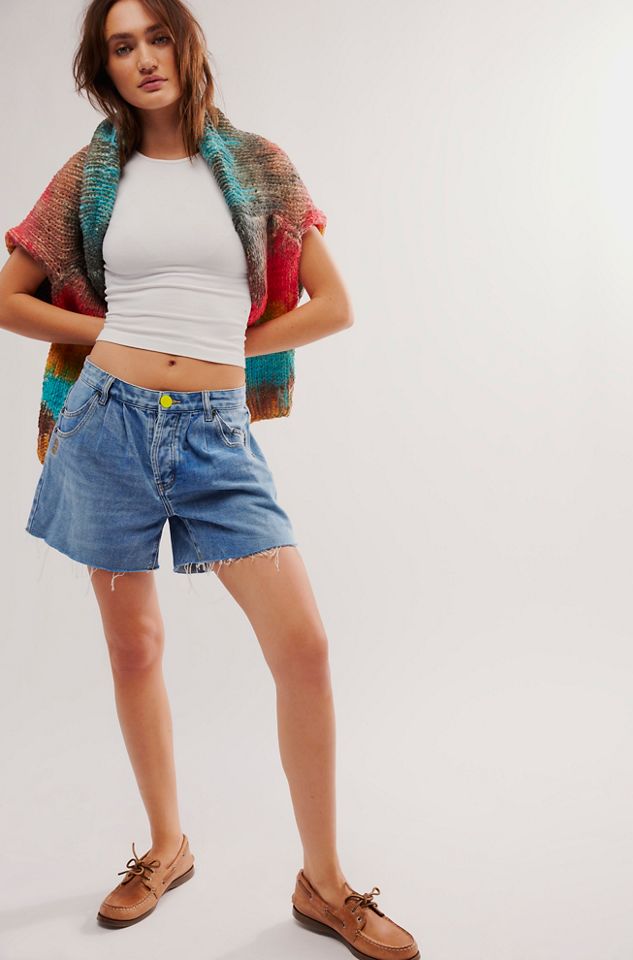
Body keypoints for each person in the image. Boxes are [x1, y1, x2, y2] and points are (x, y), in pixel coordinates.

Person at [0, 0, 420, 955]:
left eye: (157, 36)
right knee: (136, 648)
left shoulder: (259, 166)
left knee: (303, 646)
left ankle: (324, 882)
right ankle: (166, 847)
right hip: (103, 425)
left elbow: (335, 304)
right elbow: (10, 299)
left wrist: (224, 346)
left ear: (185, 45)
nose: (144, 58)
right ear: (104, 68)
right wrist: (112, 332)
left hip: (216, 436)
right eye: (121, 46)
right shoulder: (90, 177)